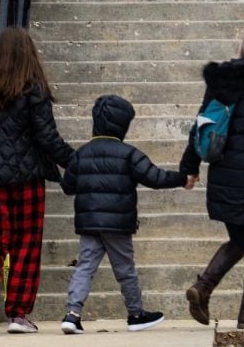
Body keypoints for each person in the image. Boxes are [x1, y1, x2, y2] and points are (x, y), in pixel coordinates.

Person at [0, 26, 75, 334]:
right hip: (27, 179)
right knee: (26, 245)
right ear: (28, 52)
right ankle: (18, 315)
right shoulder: (33, 88)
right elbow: (48, 138)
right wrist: (75, 161)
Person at [181, 26, 244, 329]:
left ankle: (202, 288)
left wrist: (190, 166)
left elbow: (200, 123)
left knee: (239, 238)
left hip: (224, 172)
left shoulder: (221, 80)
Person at [59, 94, 191, 335]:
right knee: (125, 269)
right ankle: (136, 313)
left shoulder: (81, 153)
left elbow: (67, 186)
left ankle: (72, 314)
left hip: (89, 223)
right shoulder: (129, 154)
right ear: (122, 125)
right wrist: (182, 179)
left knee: (85, 267)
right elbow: (154, 177)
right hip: (118, 224)